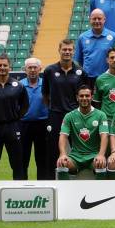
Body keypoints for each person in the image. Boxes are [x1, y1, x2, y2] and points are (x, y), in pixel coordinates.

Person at [42, 39, 88, 180]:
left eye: (70, 50)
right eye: (64, 49)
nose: (67, 52)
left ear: (74, 51)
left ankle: (80, 179)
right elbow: (45, 94)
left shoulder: (81, 72)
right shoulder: (50, 70)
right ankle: (53, 180)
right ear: (59, 50)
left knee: (79, 149)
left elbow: (84, 94)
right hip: (56, 115)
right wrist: (53, 108)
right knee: (53, 151)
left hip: (75, 116)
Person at [56, 85, 108, 180]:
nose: (84, 98)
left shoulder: (101, 115)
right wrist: (63, 154)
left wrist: (101, 154)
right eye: (81, 96)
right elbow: (63, 136)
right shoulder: (69, 116)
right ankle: (65, 193)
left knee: (101, 164)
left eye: (87, 96)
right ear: (77, 98)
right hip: (76, 156)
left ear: (92, 97)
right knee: (62, 163)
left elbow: (104, 136)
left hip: (93, 155)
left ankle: (101, 193)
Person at [19, 57, 48, 180]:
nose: (32, 70)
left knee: (42, 159)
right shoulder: (19, 85)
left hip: (43, 124)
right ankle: (21, 185)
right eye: (29, 67)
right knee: (22, 158)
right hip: (23, 125)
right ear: (25, 70)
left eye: (35, 67)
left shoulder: (46, 84)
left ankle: (42, 185)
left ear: (40, 69)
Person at [75, 8, 115, 82]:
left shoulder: (113, 37)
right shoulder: (82, 37)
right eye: (94, 19)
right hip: (87, 78)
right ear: (90, 20)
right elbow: (79, 61)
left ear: (104, 19)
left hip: (107, 78)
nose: (97, 21)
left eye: (99, 18)